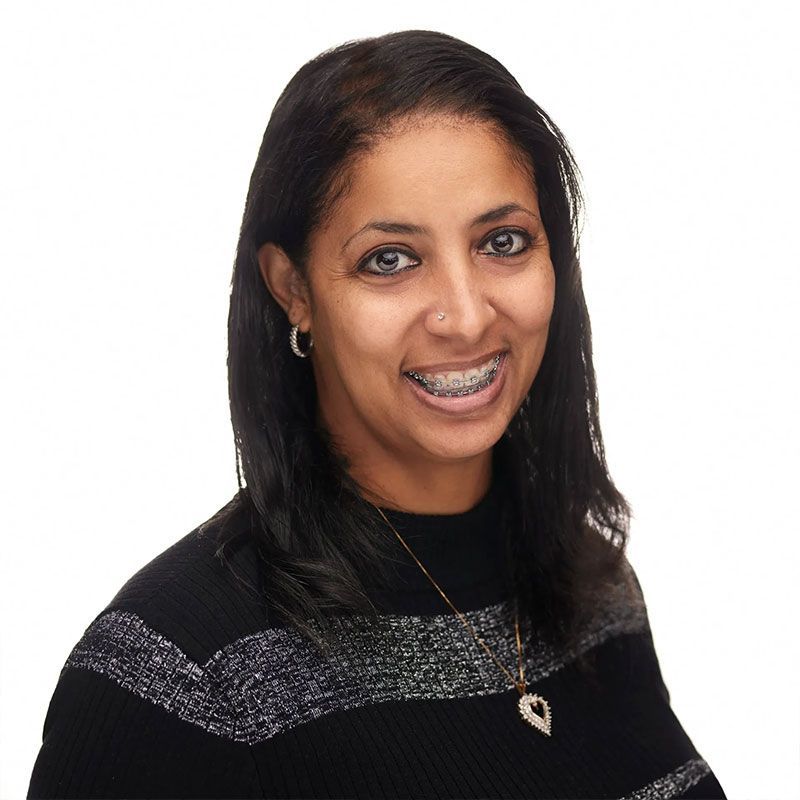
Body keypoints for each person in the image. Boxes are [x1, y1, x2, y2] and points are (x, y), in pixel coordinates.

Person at [27, 29, 727, 799]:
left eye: (503, 241)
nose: (464, 316)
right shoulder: (177, 677)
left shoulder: (593, 589)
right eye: (389, 259)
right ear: (293, 290)